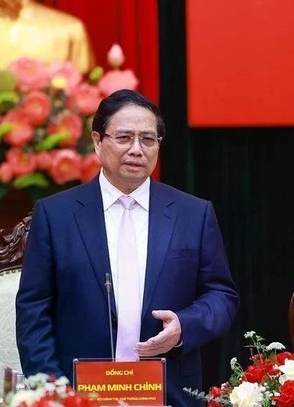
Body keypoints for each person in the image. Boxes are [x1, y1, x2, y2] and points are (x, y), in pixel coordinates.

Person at [16, 89, 238, 407]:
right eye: (124, 138)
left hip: (169, 393)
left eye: (148, 139)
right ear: (97, 141)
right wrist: (55, 394)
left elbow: (222, 295)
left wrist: (183, 327)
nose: (137, 149)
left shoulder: (193, 213)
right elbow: (33, 310)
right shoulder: (56, 215)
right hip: (79, 395)